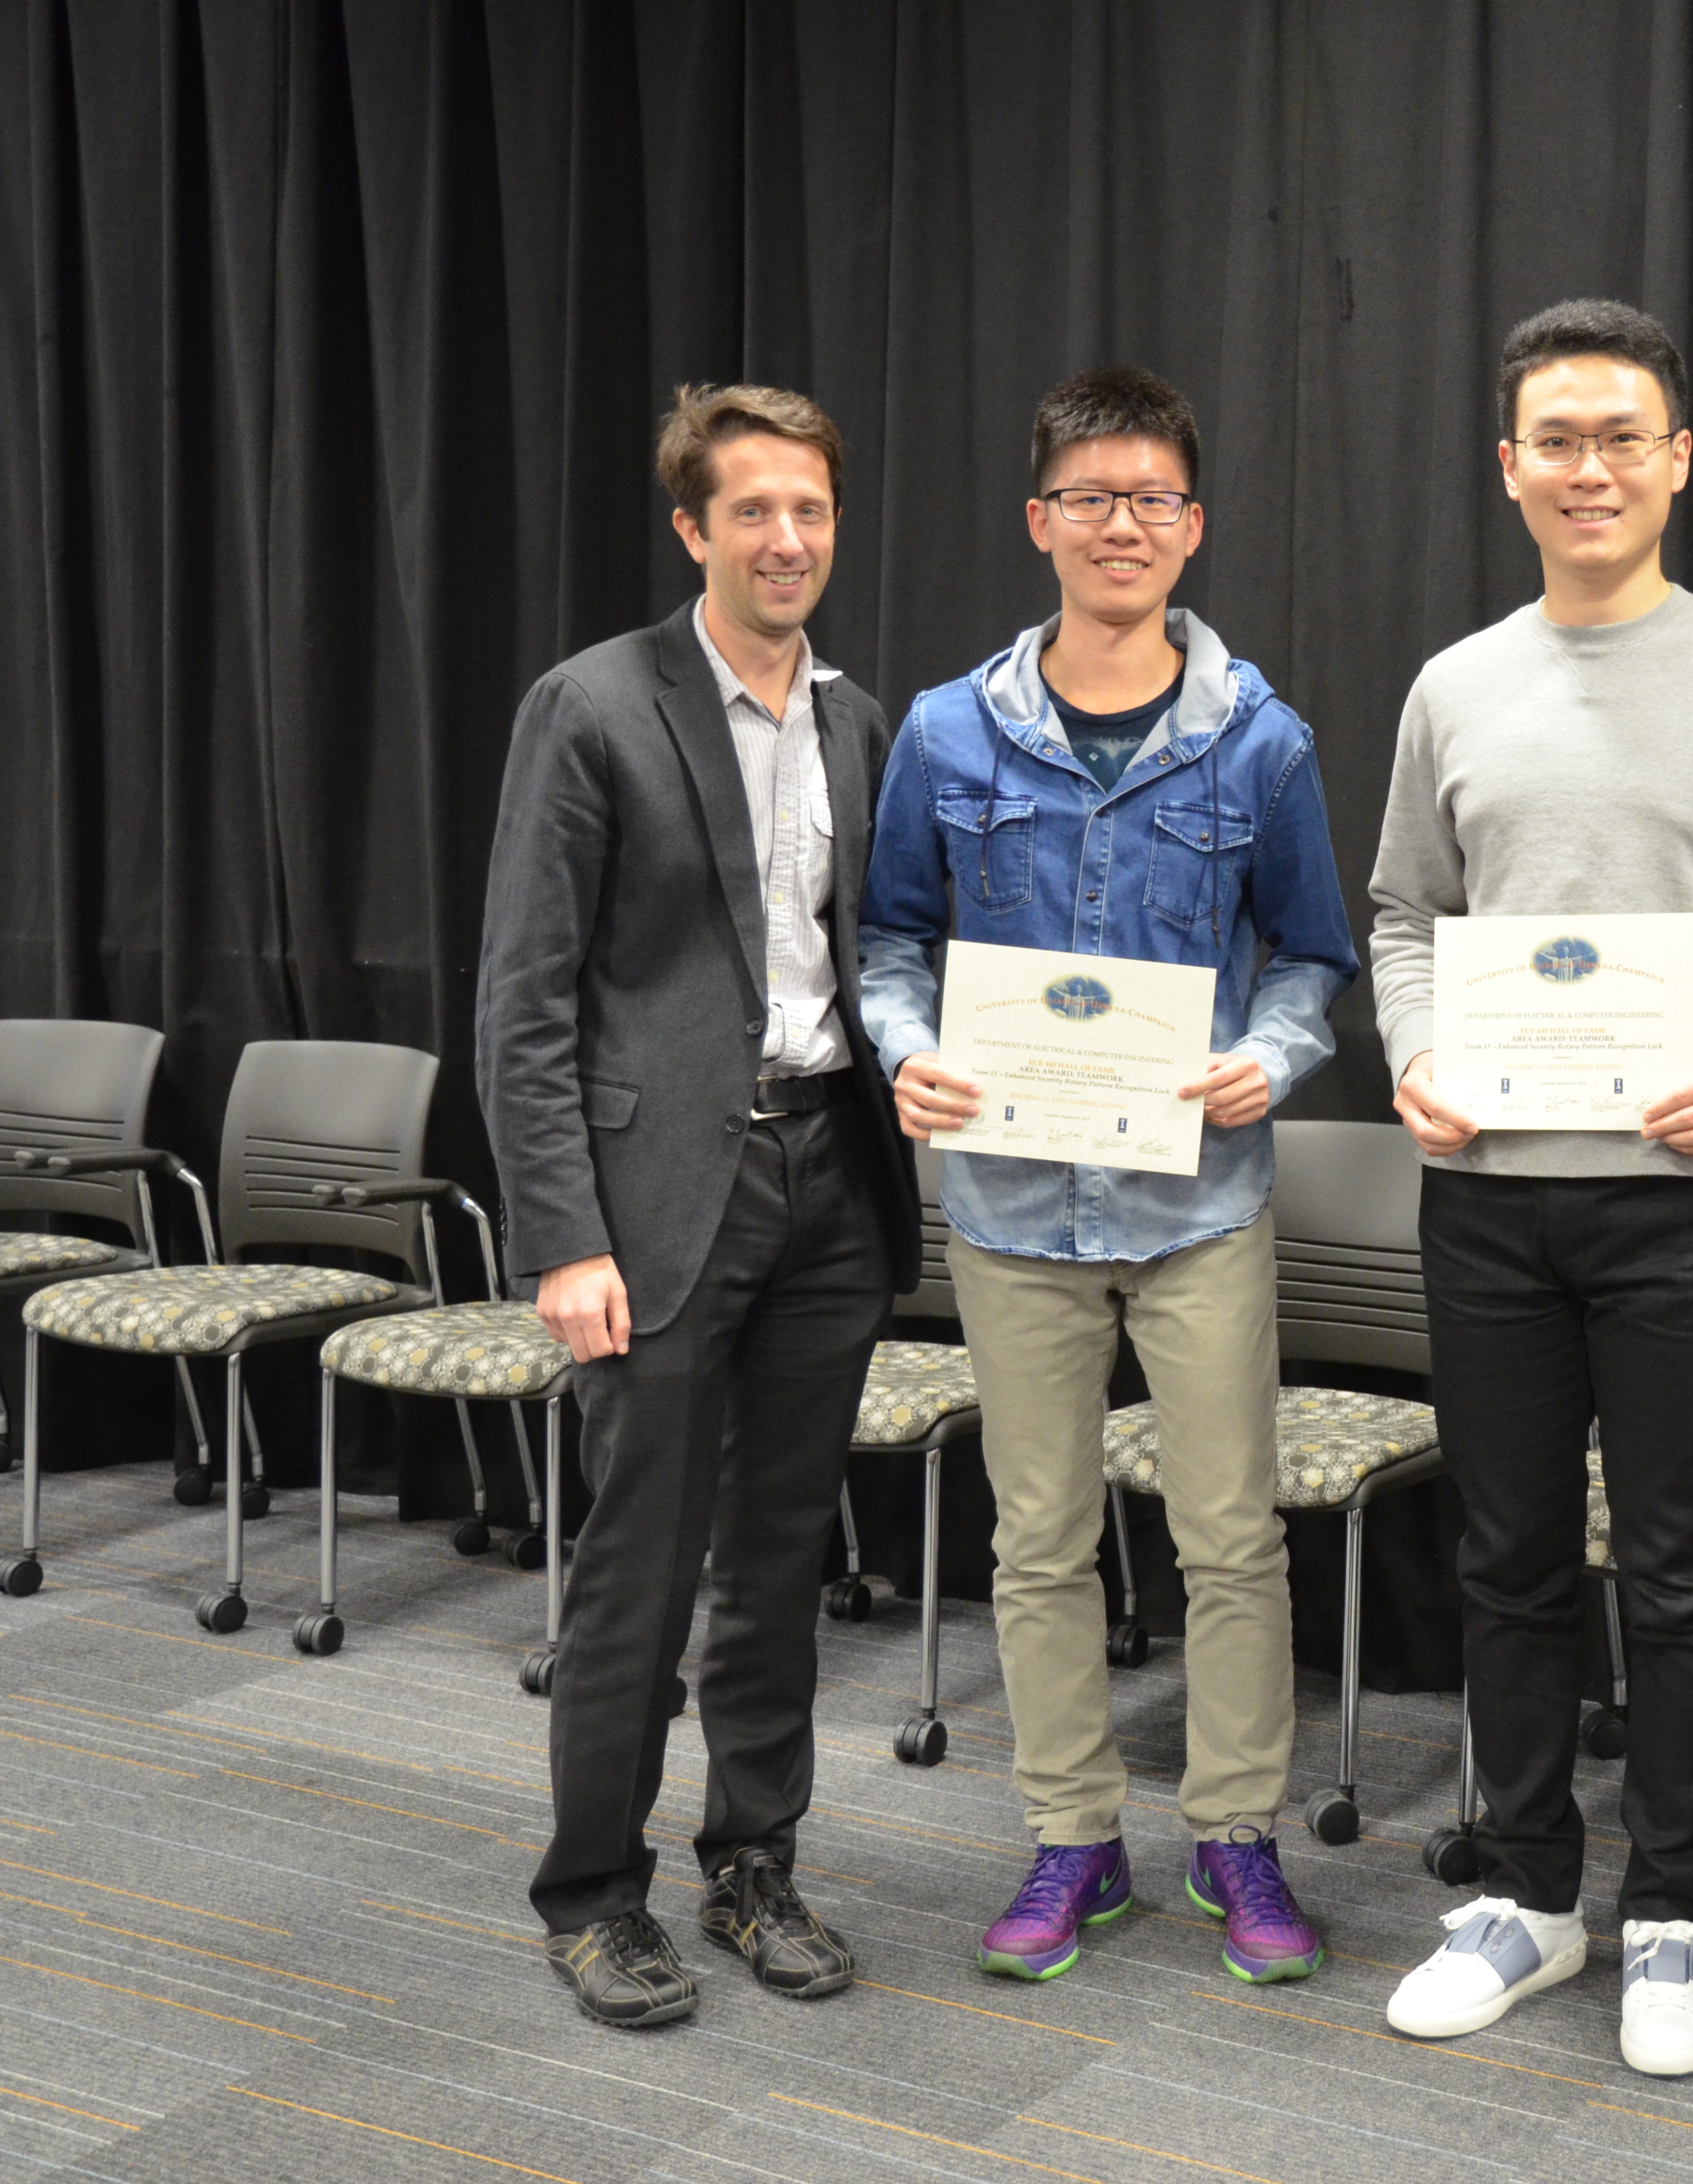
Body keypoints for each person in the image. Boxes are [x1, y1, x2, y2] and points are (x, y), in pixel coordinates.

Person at [1368, 299, 1693, 2077]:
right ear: (1508, 467)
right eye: (1557, 441)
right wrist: (1413, 1054)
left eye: (1625, 438)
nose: (1591, 468)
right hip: (1493, 1203)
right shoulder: (1454, 685)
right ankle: (1527, 1895)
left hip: (1687, 1210)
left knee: (1674, 1576)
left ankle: (1671, 1913)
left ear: (1678, 460)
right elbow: (1399, 919)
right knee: (1510, 1565)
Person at [860, 367, 1360, 1989]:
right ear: (1041, 523)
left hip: (1199, 1202)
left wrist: (1268, 1060)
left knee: (1230, 1538)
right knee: (1038, 1542)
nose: (1122, 523)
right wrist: (904, 1045)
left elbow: (1312, 961)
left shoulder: (1260, 742)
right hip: (1009, 1208)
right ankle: (1072, 1840)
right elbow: (885, 943)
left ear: (1192, 527)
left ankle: (1236, 1835)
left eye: (1152, 498)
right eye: (1092, 498)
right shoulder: (946, 731)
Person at [477, 383, 915, 2029]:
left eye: (810, 510)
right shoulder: (591, 707)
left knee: (786, 1561)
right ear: (694, 529)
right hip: (655, 1203)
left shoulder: (861, 722)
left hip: (828, 1183)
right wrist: (564, 1236)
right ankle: (593, 1894)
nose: (787, 539)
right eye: (753, 513)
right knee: (637, 1569)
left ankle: (756, 1863)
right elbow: (523, 1000)